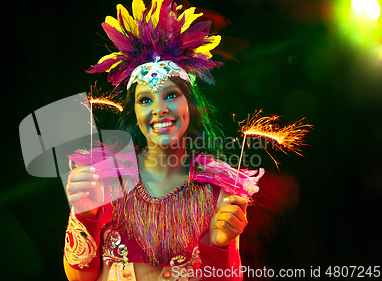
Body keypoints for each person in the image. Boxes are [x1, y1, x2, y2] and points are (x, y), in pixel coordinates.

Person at [63, 1, 263, 280]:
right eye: (146, 100)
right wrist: (84, 214)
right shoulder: (105, 179)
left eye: (170, 95)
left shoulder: (218, 192)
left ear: (190, 106)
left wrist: (220, 244)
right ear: (134, 113)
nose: (159, 109)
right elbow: (79, 277)